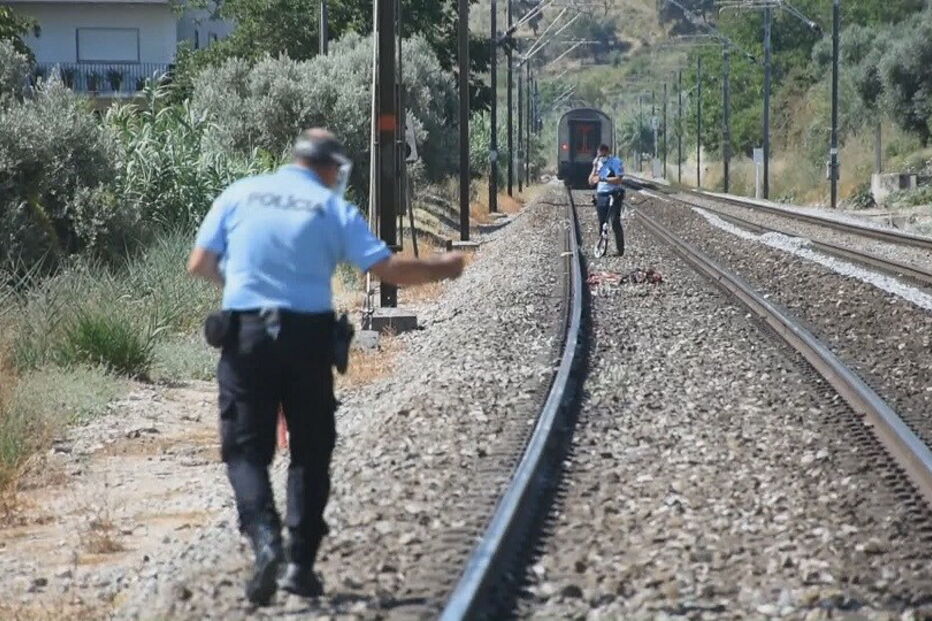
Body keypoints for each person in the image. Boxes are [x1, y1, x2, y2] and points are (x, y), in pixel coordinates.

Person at [187, 128, 465, 605]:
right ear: (331, 168)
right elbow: (389, 271)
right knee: (310, 452)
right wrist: (447, 266)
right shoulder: (333, 208)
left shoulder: (240, 193)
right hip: (308, 338)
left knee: (246, 452)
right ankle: (300, 564)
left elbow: (199, 263)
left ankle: (265, 540)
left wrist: (242, 287)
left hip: (248, 335)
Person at [588, 144, 625, 256]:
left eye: (603, 154)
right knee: (602, 222)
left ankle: (620, 249)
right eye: (600, 155)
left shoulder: (616, 162)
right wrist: (594, 168)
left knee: (615, 222)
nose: (602, 157)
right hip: (601, 195)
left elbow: (619, 180)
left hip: (614, 195)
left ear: (608, 153)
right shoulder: (598, 164)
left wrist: (604, 179)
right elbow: (590, 181)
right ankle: (602, 248)